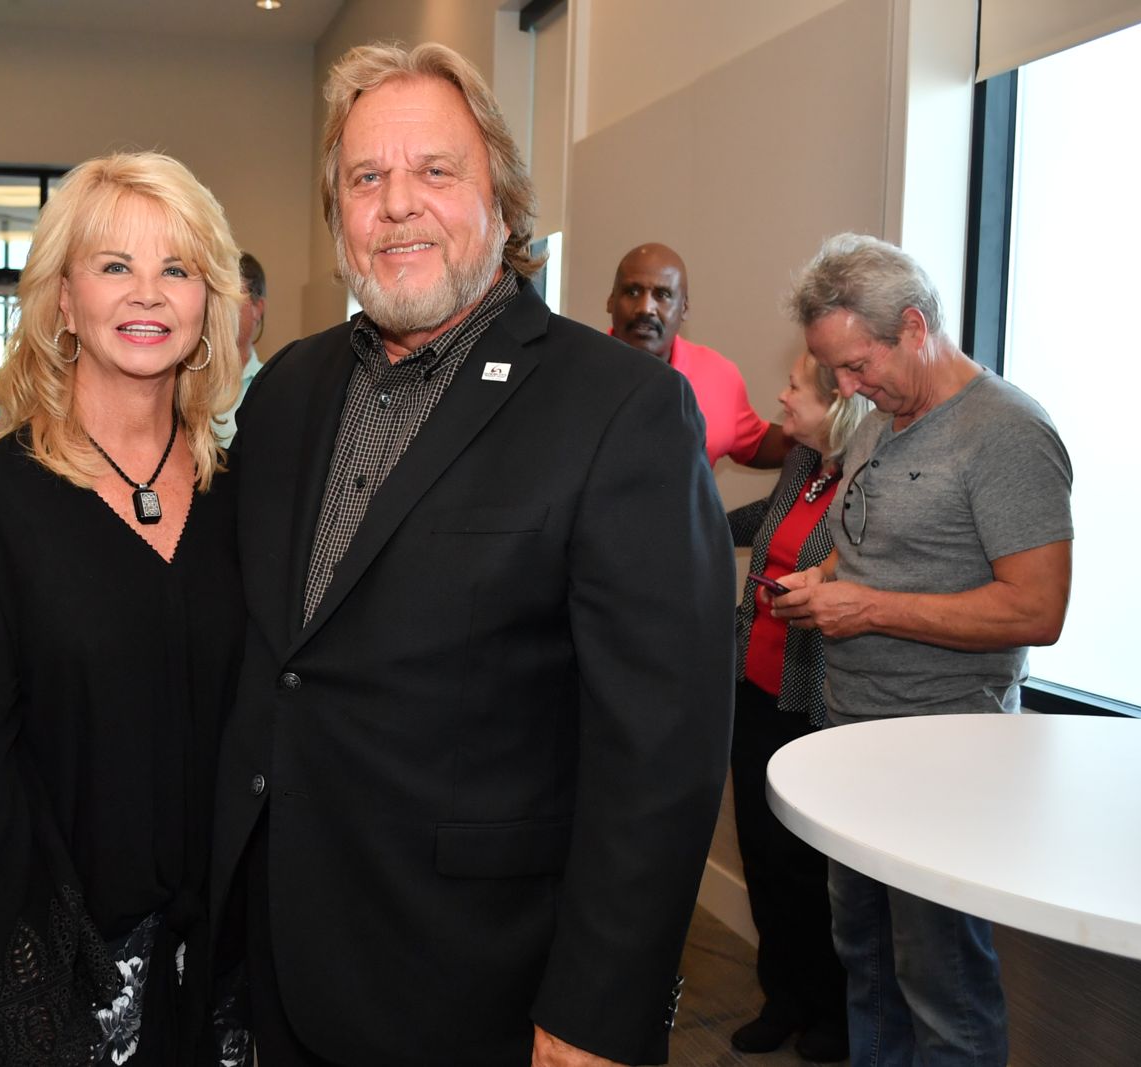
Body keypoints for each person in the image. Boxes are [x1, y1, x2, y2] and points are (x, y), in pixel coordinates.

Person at [212, 42, 735, 1067]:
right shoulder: (283, 395)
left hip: (479, 980)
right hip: (278, 945)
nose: (396, 204)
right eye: (366, 178)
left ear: (502, 200)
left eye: (434, 172)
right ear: (337, 216)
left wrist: (596, 1009)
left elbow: (659, 749)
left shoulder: (619, 410)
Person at [0, 151, 249, 1067]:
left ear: (208, 301)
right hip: (64, 970)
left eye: (176, 268)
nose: (148, 294)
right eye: (115, 266)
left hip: (231, 965)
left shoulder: (247, 495)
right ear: (63, 300)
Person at [771, 233, 1073, 1067]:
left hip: (947, 756)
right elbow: (866, 545)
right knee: (864, 963)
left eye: (858, 364)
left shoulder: (1007, 432)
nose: (847, 388)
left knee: (942, 986)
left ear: (914, 325)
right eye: (835, 371)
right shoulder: (878, 422)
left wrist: (867, 607)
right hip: (854, 737)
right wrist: (822, 578)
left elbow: (1038, 609)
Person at [726, 352, 872, 1062]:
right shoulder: (801, 465)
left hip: (809, 701)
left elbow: (849, 567)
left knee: (809, 867)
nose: (780, 397)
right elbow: (764, 521)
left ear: (836, 404)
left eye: (793, 387)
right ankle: (780, 996)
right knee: (760, 854)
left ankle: (830, 1011)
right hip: (750, 688)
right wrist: (696, 517)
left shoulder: (865, 483)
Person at [607, 243, 789, 468]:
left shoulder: (719, 375)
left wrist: (826, 433)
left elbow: (756, 443)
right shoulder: (576, 371)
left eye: (662, 295)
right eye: (632, 292)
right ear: (611, 301)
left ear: (684, 309)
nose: (645, 308)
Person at [217, 251, 266, 444]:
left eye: (231, 297)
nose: (219, 309)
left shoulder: (272, 387)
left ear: (257, 308)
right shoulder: (180, 382)